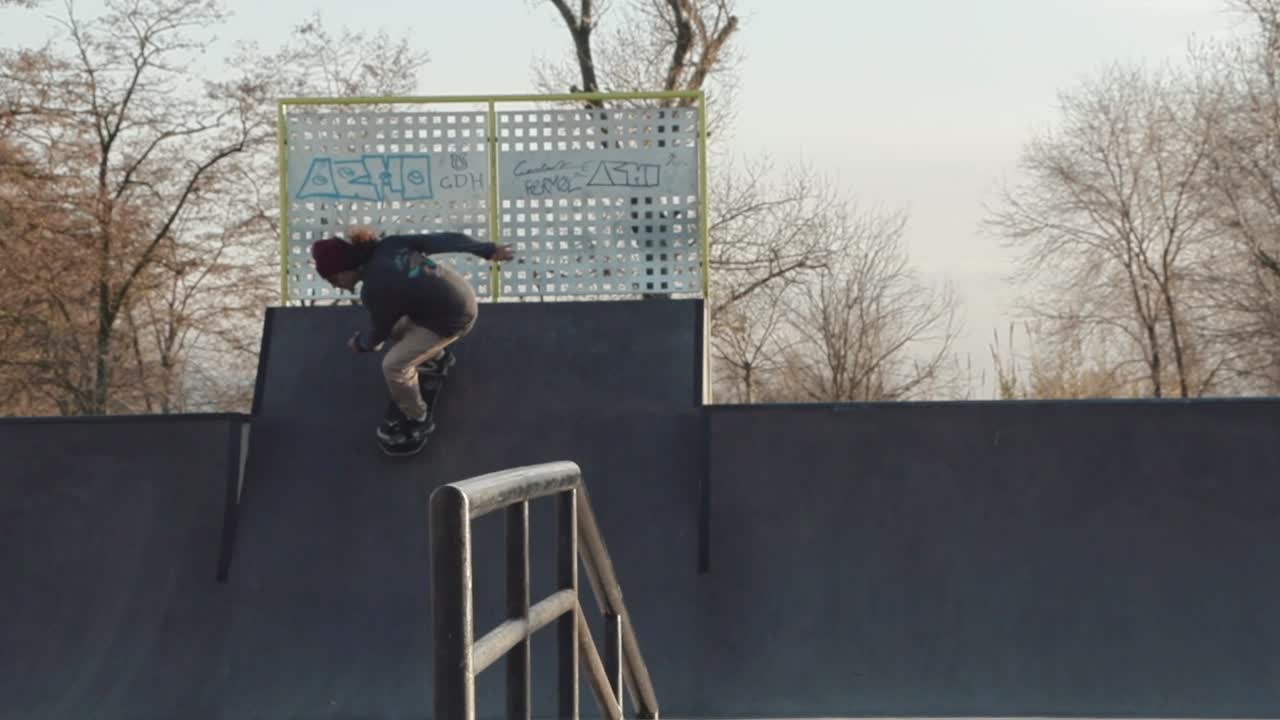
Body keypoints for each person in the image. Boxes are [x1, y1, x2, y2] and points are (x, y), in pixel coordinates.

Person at [310, 225, 515, 445]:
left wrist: (361, 343)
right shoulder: (390, 245)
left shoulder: (374, 288)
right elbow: (445, 237)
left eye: (332, 281)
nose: (336, 287)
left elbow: (379, 332)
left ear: (343, 271)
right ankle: (437, 358)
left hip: (453, 319)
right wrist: (487, 249)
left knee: (393, 366)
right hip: (459, 295)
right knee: (399, 328)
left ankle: (418, 417)